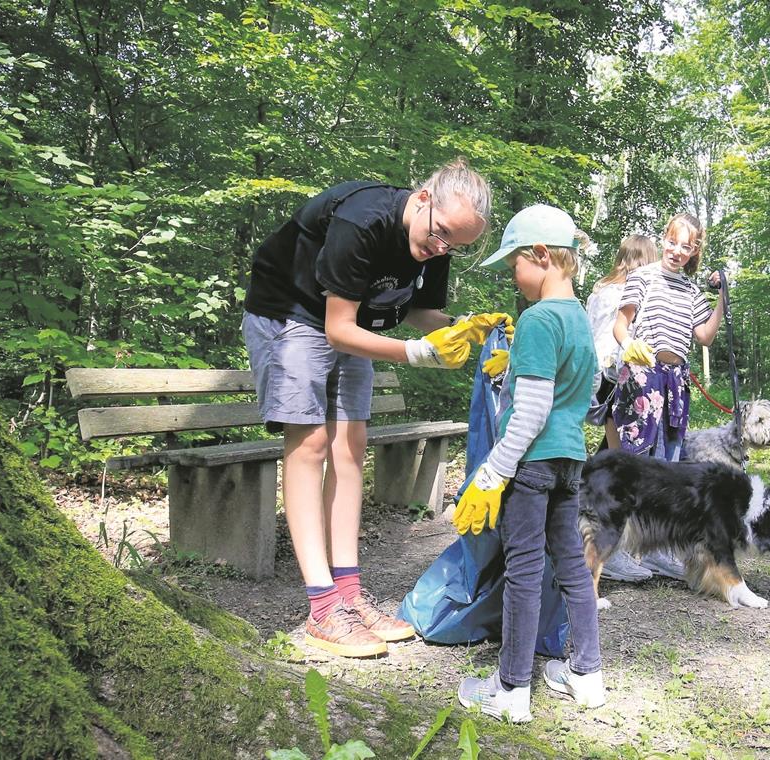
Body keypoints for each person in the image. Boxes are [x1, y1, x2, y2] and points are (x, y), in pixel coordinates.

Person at [242, 158, 511, 658]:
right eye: (442, 235)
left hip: (349, 318)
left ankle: (348, 594)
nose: (442, 249)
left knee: (351, 444)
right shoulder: (362, 221)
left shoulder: (436, 241)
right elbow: (336, 328)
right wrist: (416, 353)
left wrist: (466, 327)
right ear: (424, 198)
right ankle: (323, 606)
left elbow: (410, 308)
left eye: (456, 246)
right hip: (290, 313)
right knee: (312, 443)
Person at [452, 204, 605, 722]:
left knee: (523, 572)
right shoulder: (580, 316)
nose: (513, 277)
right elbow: (583, 393)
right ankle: (588, 675)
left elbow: (533, 409)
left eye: (515, 263)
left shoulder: (538, 319)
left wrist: (494, 471)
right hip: (571, 460)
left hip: (532, 463)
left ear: (542, 255)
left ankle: (511, 691)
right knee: (571, 568)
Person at [611, 212, 723, 580]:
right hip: (642, 378)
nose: (676, 251)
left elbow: (704, 336)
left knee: (668, 469)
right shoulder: (642, 277)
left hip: (675, 383)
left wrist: (722, 296)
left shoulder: (691, 291)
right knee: (635, 466)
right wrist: (628, 346)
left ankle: (655, 550)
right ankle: (613, 553)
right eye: (672, 242)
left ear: (694, 251)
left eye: (686, 246)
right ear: (664, 239)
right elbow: (620, 324)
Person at [585, 234, 659, 583]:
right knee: (625, 467)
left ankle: (621, 543)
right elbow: (623, 339)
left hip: (596, 379)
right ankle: (610, 549)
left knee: (613, 460)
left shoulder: (599, 290)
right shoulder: (632, 293)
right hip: (620, 378)